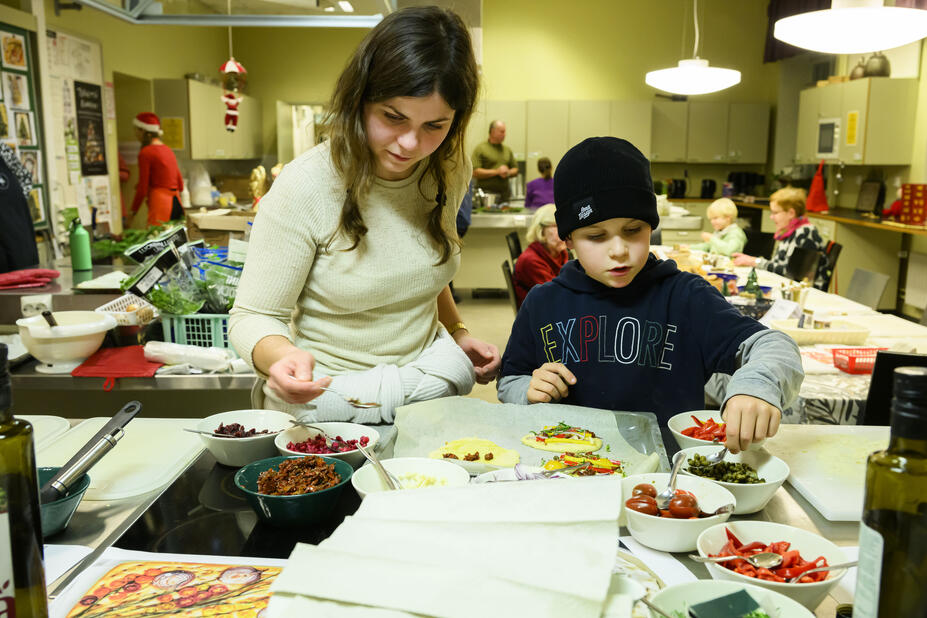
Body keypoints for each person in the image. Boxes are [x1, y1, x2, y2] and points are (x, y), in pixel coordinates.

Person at [229, 7, 500, 425]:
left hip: (424, 393)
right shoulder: (306, 185)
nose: (410, 143)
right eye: (393, 117)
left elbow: (424, 269)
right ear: (360, 99)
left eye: (435, 125)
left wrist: (458, 333)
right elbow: (254, 316)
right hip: (332, 396)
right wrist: (281, 356)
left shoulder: (449, 168)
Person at [496, 137, 803, 453]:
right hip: (567, 475)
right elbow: (510, 381)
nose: (619, 251)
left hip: (663, 484)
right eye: (596, 236)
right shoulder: (542, 303)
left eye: (633, 231)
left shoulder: (686, 297)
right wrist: (528, 389)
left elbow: (772, 345)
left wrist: (756, 386)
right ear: (569, 238)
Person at [732, 187, 827, 288]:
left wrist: (754, 261)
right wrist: (753, 260)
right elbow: (778, 265)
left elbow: (789, 273)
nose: (771, 217)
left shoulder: (805, 233)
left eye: (775, 213)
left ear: (791, 213)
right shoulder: (789, 231)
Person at [129, 112, 184, 226]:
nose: (136, 134)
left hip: (161, 205)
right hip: (177, 203)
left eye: (137, 130)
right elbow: (180, 184)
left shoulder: (146, 152)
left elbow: (142, 189)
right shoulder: (168, 150)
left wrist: (132, 212)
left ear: (145, 132)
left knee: (157, 240)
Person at [512, 203, 568, 306]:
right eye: (556, 226)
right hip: (539, 316)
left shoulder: (559, 252)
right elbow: (554, 296)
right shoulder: (531, 261)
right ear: (541, 230)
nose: (563, 231)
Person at [472, 120, 517, 202]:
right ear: (493, 131)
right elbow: (474, 172)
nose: (504, 134)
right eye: (502, 132)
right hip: (485, 196)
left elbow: (515, 169)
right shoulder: (481, 148)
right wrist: (497, 172)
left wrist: (508, 172)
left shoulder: (507, 150)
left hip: (504, 196)